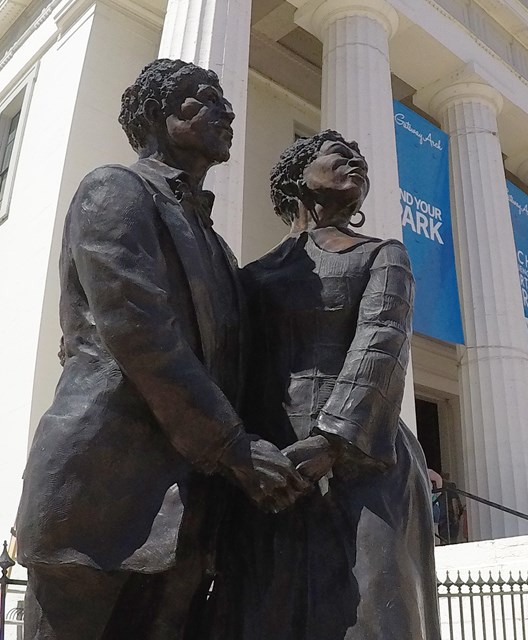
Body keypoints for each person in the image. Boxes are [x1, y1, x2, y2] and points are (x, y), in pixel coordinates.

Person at [15, 59, 308, 640]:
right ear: (157, 114)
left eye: (225, 101)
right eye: (205, 99)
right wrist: (233, 447)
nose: (226, 111)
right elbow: (137, 331)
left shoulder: (220, 249)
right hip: (99, 499)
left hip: (190, 512)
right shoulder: (113, 190)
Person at [205, 130, 441, 640]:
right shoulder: (250, 277)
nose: (355, 162)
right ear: (297, 176)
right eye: (339, 155)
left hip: (364, 462)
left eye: (359, 159)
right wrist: (242, 456)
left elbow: (382, 345)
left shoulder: (383, 255)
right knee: (264, 613)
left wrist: (332, 441)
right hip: (270, 468)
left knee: (373, 617)